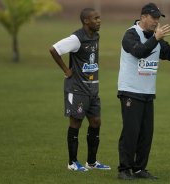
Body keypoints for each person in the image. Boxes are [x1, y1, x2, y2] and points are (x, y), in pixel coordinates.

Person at [117, 2, 170, 180]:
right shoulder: (130, 34)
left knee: (146, 133)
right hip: (130, 91)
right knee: (131, 132)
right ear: (143, 16)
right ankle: (124, 170)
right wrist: (156, 38)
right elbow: (140, 52)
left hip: (147, 92)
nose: (156, 21)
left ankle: (139, 169)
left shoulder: (155, 37)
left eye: (158, 18)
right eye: (153, 17)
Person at [49, 8, 110, 172]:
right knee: (76, 122)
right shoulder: (76, 38)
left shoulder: (96, 36)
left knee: (96, 122)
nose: (99, 21)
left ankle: (91, 162)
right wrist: (65, 70)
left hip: (92, 88)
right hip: (77, 89)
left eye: (99, 18)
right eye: (95, 18)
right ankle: (72, 162)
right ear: (86, 21)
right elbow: (54, 49)